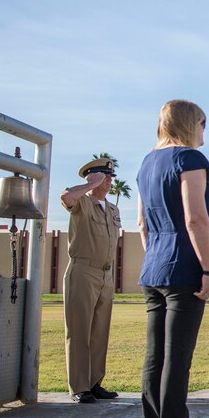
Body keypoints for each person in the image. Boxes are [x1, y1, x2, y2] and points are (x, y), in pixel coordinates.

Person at [136, 99, 209, 418]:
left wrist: (157, 255)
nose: (205, 131)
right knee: (176, 363)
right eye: (203, 123)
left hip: (154, 268)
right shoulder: (189, 160)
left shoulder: (146, 164)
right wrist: (208, 269)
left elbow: (142, 224)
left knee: (155, 360)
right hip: (185, 268)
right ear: (192, 123)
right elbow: (196, 220)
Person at [59, 157, 121, 403]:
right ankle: (79, 386)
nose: (109, 180)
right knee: (79, 330)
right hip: (83, 271)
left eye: (109, 177)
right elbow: (66, 198)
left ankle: (95, 382)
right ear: (92, 177)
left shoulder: (113, 209)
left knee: (99, 332)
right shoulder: (82, 202)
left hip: (106, 273)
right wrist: (88, 185)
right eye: (104, 176)